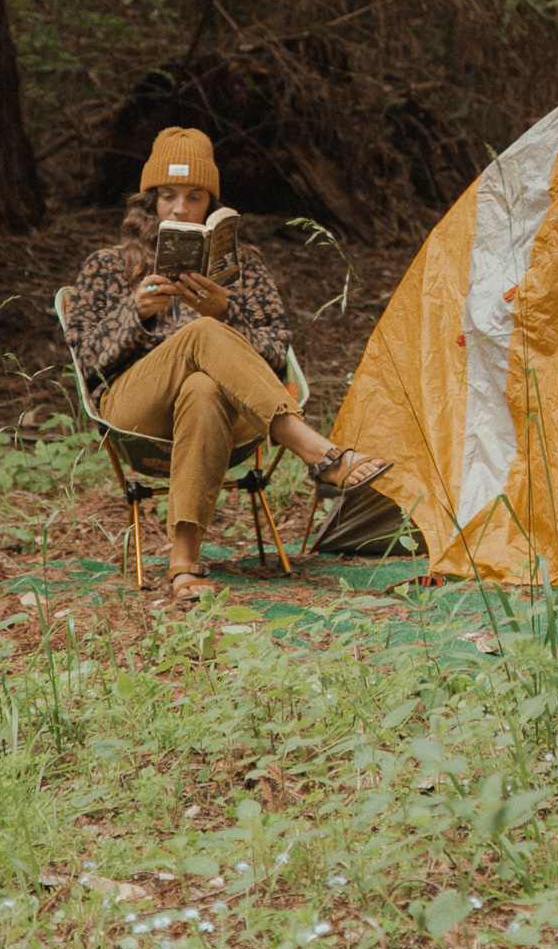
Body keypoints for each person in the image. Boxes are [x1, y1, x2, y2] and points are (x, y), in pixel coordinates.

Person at [62, 126, 392, 602]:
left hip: (231, 417)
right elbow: (87, 361)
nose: (180, 209)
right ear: (149, 202)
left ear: (211, 206)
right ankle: (317, 452)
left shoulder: (244, 268)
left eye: (194, 197)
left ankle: (183, 564)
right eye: (168, 196)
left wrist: (226, 310)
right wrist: (135, 313)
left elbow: (277, 353)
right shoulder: (107, 266)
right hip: (135, 412)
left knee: (203, 387)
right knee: (203, 333)